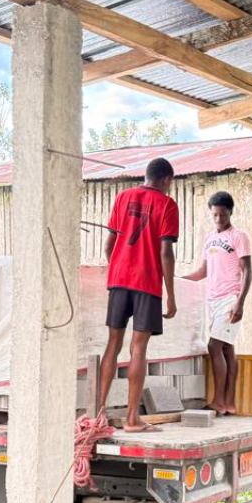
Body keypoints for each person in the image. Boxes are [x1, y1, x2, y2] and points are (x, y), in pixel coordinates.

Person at [98, 158, 179, 432]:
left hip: (119, 280)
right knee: (138, 348)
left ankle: (98, 413)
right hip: (147, 283)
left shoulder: (123, 197)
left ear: (147, 175)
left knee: (112, 344)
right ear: (166, 180)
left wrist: (119, 267)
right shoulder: (167, 205)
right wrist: (171, 295)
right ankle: (132, 418)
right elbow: (166, 252)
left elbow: (109, 245)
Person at [180, 191, 252, 415]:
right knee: (227, 348)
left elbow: (247, 270)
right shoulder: (210, 239)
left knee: (214, 346)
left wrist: (240, 302)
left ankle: (219, 401)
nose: (219, 219)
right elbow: (203, 271)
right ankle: (229, 403)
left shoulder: (238, 236)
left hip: (230, 298)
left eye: (223, 215)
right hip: (212, 300)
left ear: (230, 212)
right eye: (215, 215)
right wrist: (178, 279)